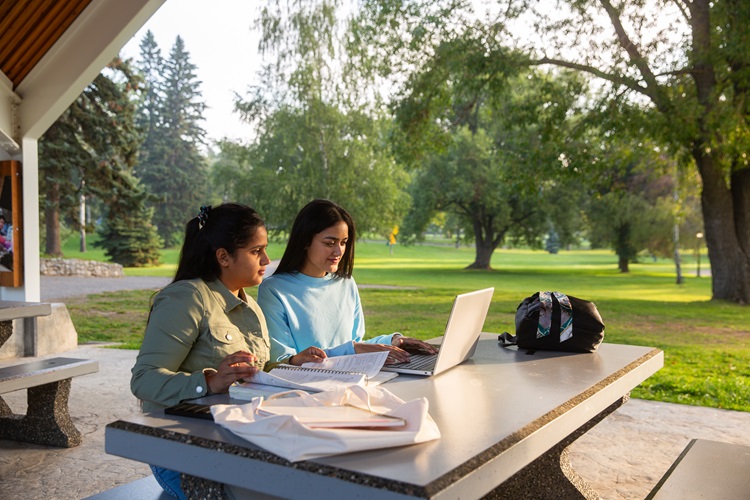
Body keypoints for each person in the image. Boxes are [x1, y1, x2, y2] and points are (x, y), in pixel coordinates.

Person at [131, 203, 324, 499]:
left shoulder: (252, 306)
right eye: (256, 251)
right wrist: (209, 381)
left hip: (242, 440)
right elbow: (144, 381)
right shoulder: (187, 298)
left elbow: (252, 371)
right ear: (223, 256)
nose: (266, 259)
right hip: (185, 452)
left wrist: (292, 364)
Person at [257, 199, 437, 365]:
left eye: (343, 242)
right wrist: (352, 349)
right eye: (330, 243)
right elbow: (283, 361)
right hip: (306, 390)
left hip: (351, 379)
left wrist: (394, 341)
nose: (338, 251)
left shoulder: (346, 284)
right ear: (305, 241)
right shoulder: (274, 290)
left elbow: (355, 345)